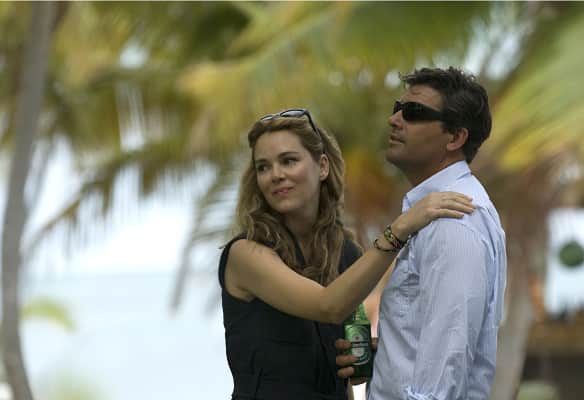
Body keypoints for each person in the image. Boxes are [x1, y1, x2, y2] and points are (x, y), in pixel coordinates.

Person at [218, 108, 476, 400]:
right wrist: (401, 228)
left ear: (322, 167)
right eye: (263, 167)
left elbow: (353, 370)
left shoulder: (346, 253)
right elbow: (329, 305)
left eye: (288, 161)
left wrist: (365, 360)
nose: (275, 175)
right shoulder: (246, 254)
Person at [336, 67, 507, 400]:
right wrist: (386, 354)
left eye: (413, 112)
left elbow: (446, 368)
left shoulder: (453, 219)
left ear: (455, 138)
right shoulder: (433, 212)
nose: (394, 120)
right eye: (397, 108)